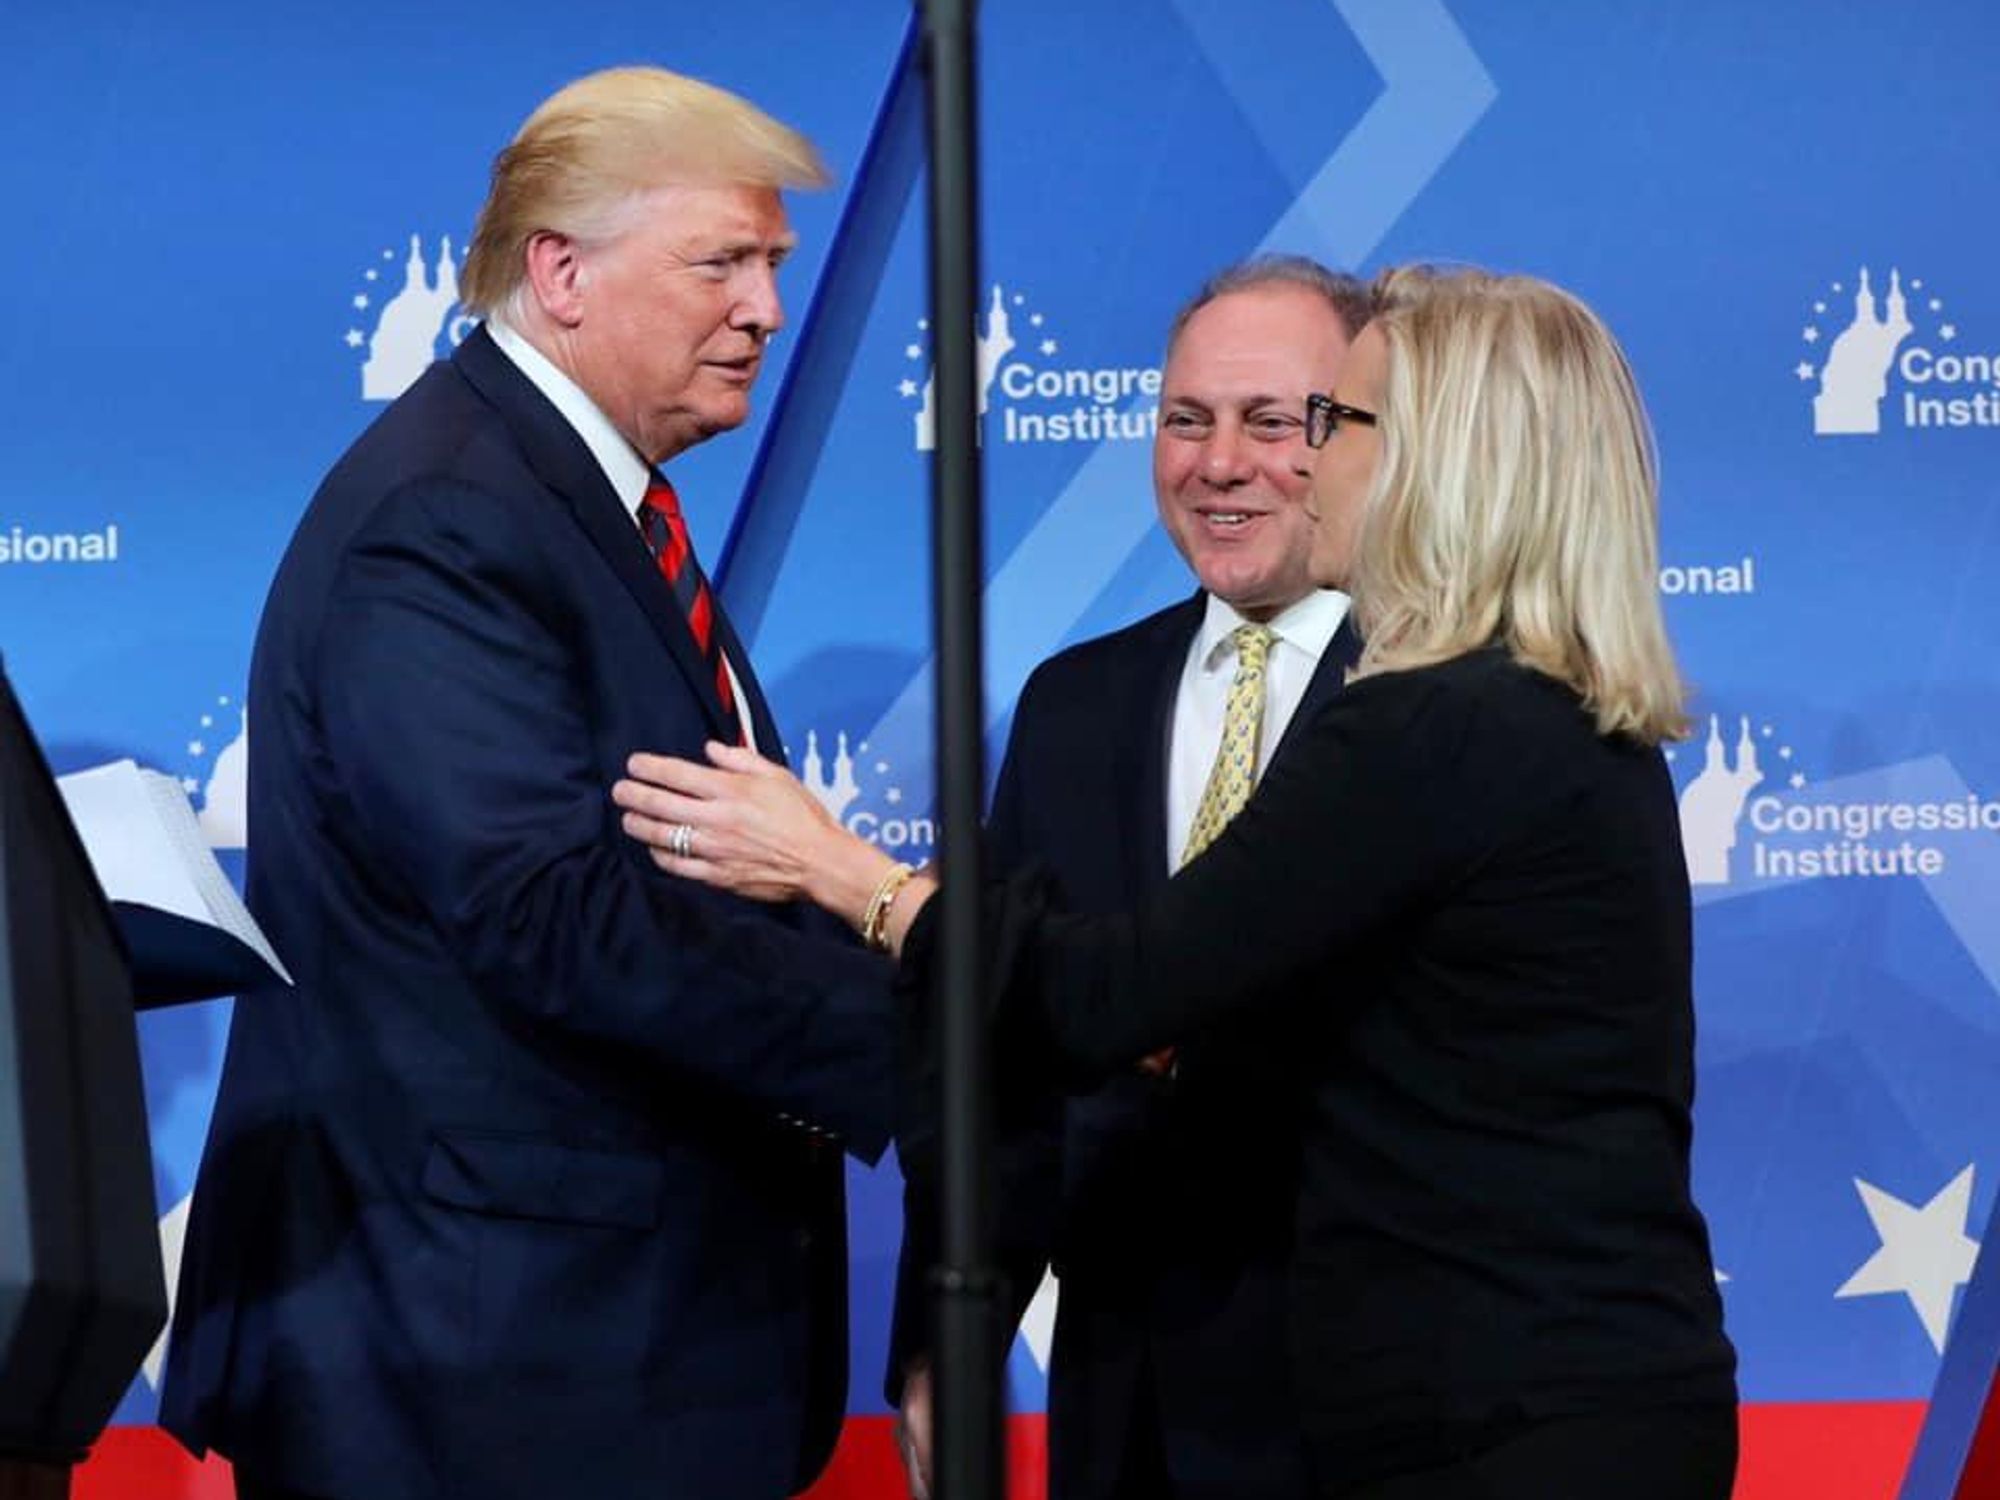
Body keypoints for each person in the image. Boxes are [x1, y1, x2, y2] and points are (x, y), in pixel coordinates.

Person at [614, 264, 1742, 1498]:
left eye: (1323, 421)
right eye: (1189, 418)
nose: (1287, 461)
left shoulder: (1431, 723)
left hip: (1487, 1413)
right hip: (1466, 1395)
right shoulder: (1543, 710)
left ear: (1439, 459)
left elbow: (1120, 991)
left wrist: (847, 876)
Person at [161, 67, 897, 1500]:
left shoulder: (562, 499)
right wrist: (940, 1038)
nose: (764, 308)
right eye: (721, 262)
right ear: (560, 270)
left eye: (773, 265)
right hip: (483, 1372)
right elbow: (549, 913)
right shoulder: (447, 518)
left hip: (571, 1354)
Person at [887, 256, 1370, 1500]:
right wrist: (951, 1342)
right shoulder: (1076, 703)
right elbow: (999, 1054)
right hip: (1128, 1399)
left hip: (1371, 1394)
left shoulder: (1439, 697)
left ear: (1367, 433)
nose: (1217, 463)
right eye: (1183, 419)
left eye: (1271, 422)